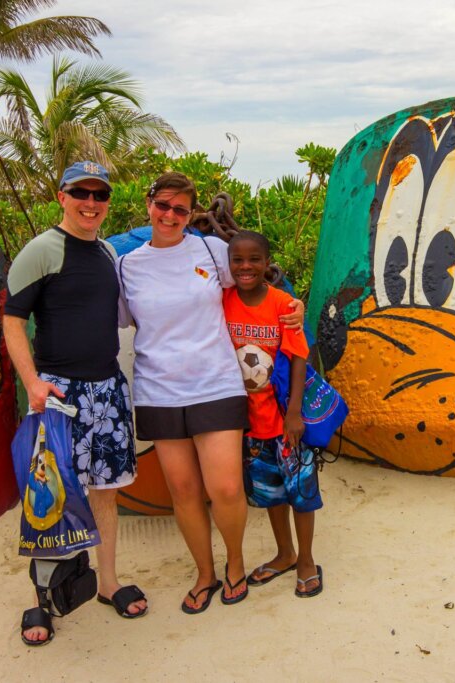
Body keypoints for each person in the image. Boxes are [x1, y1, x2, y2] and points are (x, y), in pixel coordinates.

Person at [115, 172, 303, 614]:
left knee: (226, 488)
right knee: (183, 491)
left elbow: (253, 284)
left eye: (180, 209)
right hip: (158, 390)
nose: (170, 215)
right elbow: (119, 320)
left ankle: (234, 563)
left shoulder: (210, 249)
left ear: (190, 213)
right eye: (163, 205)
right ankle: (205, 573)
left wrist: (290, 309)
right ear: (149, 204)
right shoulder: (127, 266)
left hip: (216, 383)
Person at [4, 161, 147, 646]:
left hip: (106, 389)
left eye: (99, 195)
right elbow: (11, 321)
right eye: (81, 193)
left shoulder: (107, 251)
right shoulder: (42, 249)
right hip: (58, 394)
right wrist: (33, 383)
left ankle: (107, 582)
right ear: (62, 197)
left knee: (106, 492)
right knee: (50, 500)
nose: (91, 203)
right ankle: (43, 602)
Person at [223, 230, 324, 598]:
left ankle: (308, 559)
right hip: (250, 423)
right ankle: (285, 554)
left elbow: (300, 356)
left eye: (254, 259)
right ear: (229, 264)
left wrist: (294, 412)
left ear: (268, 264)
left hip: (284, 421)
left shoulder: (283, 304)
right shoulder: (222, 300)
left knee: (301, 491)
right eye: (238, 260)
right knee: (271, 493)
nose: (246, 266)